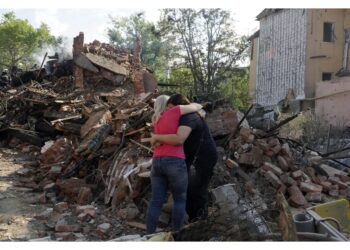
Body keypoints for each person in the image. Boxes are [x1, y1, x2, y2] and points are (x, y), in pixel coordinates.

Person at [151, 94, 218, 222]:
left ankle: (199, 220)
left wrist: (157, 138)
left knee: (197, 188)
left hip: (204, 156)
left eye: (170, 108)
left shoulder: (189, 117)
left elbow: (179, 139)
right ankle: (188, 219)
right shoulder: (182, 117)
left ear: (179, 107)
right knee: (186, 187)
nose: (168, 111)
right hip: (191, 156)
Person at [146, 95, 203, 234]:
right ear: (168, 103)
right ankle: (177, 235)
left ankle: (149, 235)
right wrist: (199, 108)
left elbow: (155, 142)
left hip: (157, 162)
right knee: (179, 200)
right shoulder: (175, 110)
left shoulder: (156, 119)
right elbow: (197, 106)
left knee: (156, 201)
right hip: (174, 161)